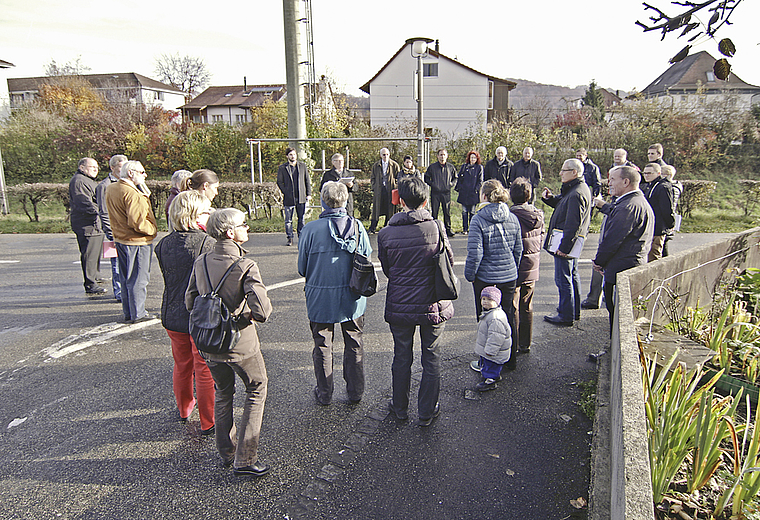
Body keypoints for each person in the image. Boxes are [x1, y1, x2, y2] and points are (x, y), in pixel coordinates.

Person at [185, 208, 272, 477]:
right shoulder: (246, 265)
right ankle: (246, 458)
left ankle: (227, 452)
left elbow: (190, 301)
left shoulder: (201, 262)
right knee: (256, 387)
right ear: (230, 232)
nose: (248, 228)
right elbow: (262, 311)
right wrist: (242, 315)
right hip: (239, 343)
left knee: (223, 392)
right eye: (244, 225)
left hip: (208, 340)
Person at [378, 176, 454, 427]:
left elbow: (388, 269)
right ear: (424, 200)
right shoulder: (436, 227)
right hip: (432, 301)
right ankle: (426, 411)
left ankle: (399, 407)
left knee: (401, 356)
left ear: (400, 201)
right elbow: (448, 262)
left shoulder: (386, 233)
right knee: (431, 356)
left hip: (400, 302)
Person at [298, 181, 371, 406]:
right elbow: (366, 257)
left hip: (320, 297)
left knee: (322, 344)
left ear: (323, 201)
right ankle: (355, 391)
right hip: (353, 296)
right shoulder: (357, 226)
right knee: (354, 342)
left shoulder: (310, 229)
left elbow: (302, 268)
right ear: (346, 201)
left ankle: (324, 393)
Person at [155, 191, 215, 434]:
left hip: (172, 313)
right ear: (192, 214)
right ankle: (208, 420)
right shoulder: (206, 243)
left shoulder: (163, 244)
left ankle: (183, 409)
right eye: (205, 210)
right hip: (198, 314)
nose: (210, 214)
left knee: (182, 365)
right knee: (203, 367)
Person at [464, 179, 522, 371]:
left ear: (484, 196)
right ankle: (510, 360)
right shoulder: (512, 217)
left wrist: (470, 275)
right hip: (508, 277)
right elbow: (518, 250)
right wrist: (512, 269)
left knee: (487, 321)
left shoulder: (478, 219)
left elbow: (475, 254)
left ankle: (486, 363)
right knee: (508, 317)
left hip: (486, 278)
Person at [592, 166, 654, 329]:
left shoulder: (628, 206)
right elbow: (614, 212)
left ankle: (612, 350)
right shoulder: (634, 202)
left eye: (612, 179)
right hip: (627, 266)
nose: (609, 183)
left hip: (622, 268)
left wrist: (599, 262)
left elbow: (612, 240)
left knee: (618, 316)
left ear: (626, 181)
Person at [105, 160, 158, 323]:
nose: (145, 175)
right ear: (131, 173)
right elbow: (137, 222)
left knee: (126, 277)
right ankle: (138, 313)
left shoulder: (112, 188)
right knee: (139, 279)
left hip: (121, 239)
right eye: (142, 172)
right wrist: (153, 230)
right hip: (137, 241)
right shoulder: (133, 193)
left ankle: (129, 312)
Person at [541, 158, 592, 326]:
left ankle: (565, 314)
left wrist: (564, 247)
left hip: (566, 243)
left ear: (574, 172)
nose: (560, 173)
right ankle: (573, 310)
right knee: (572, 275)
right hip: (572, 243)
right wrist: (549, 199)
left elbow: (573, 224)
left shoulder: (576, 193)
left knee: (563, 279)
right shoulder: (576, 189)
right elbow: (563, 203)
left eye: (564, 170)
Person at [509, 178, 544, 353]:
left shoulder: (511, 216)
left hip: (515, 266)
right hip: (532, 266)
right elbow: (541, 238)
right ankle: (526, 342)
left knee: (513, 305)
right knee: (527, 305)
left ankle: (514, 343)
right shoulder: (539, 215)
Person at [69, 157, 106, 295]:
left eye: (97, 167)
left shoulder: (86, 180)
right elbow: (84, 202)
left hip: (93, 223)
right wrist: (100, 211)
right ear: (82, 167)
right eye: (92, 167)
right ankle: (90, 283)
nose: (95, 170)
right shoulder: (79, 181)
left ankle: (95, 276)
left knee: (95, 252)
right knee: (89, 254)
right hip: (87, 223)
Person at [96, 154, 127, 300]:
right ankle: (119, 292)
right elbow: (104, 211)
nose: (123, 170)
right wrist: (111, 232)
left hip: (127, 232)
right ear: (112, 167)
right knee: (116, 264)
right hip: (114, 232)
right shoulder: (105, 186)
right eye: (121, 167)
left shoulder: (128, 184)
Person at [473, 286, 512, 392]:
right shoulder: (490, 313)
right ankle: (493, 376)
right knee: (490, 365)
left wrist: (490, 351)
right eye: (483, 299)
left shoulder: (495, 318)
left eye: (490, 299)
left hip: (493, 352)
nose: (485, 302)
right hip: (491, 350)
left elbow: (496, 337)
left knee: (491, 365)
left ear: (497, 301)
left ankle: (490, 382)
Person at [276, 147, 312, 246]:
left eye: (294, 154)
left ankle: (301, 237)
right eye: (291, 154)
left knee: (301, 219)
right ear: (287, 156)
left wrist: (309, 194)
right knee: (288, 220)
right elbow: (279, 181)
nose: (293, 156)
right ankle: (290, 238)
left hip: (301, 197)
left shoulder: (302, 166)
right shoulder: (283, 168)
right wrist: (285, 192)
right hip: (289, 198)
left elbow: (307, 180)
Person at [641, 163, 675, 262]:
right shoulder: (651, 186)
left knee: (655, 255)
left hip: (658, 228)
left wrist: (670, 224)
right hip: (650, 226)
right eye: (645, 173)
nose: (646, 175)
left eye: (649, 173)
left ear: (658, 173)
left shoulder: (663, 187)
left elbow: (667, 208)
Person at [424, 148, 457, 237]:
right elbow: (426, 178)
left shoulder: (450, 167)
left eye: (444, 155)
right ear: (437, 156)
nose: (442, 157)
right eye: (441, 155)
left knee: (447, 212)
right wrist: (433, 184)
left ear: (447, 156)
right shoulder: (432, 167)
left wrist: (451, 184)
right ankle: (434, 230)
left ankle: (448, 229)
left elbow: (455, 178)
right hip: (435, 193)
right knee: (435, 212)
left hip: (446, 193)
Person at [369, 147, 400, 233]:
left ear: (389, 155)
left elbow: (399, 177)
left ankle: (388, 226)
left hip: (390, 190)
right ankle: (373, 227)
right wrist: (374, 187)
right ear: (380, 155)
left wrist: (395, 185)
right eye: (383, 155)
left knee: (390, 209)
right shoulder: (376, 165)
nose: (385, 156)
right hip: (379, 190)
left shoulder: (394, 165)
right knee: (376, 209)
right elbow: (372, 178)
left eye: (387, 154)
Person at [455, 151, 484, 234]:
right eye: (471, 157)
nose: (472, 159)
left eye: (474, 158)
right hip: (464, 193)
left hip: (473, 193)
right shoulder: (464, 166)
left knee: (472, 212)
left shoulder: (479, 167)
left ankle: (472, 229)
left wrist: (476, 189)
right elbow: (459, 178)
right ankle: (465, 229)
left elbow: (480, 180)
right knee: (464, 212)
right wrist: (460, 188)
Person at [660, 164, 683, 257]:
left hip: (666, 220)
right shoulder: (674, 186)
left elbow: (668, 206)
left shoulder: (670, 188)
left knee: (663, 245)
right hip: (669, 218)